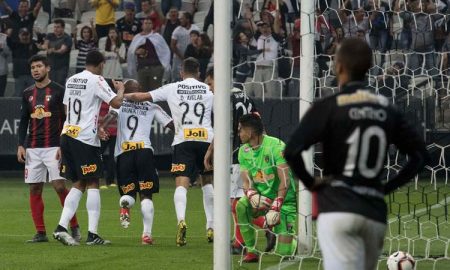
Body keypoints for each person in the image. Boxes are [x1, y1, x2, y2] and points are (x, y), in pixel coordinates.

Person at [284, 38, 429, 270]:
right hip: (373, 211)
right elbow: (422, 157)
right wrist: (386, 187)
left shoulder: (329, 106)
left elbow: (291, 151)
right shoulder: (386, 107)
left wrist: (312, 183)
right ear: (369, 67)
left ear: (338, 66)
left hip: (338, 207)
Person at [125, 57, 214, 246]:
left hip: (183, 140)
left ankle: (181, 220)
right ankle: (211, 226)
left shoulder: (172, 88)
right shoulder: (208, 89)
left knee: (181, 184)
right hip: (206, 139)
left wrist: (121, 94)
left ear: (181, 72)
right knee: (207, 182)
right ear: (198, 72)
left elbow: (140, 97)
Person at [52, 50, 125, 246]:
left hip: (68, 135)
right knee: (93, 182)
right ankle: (93, 234)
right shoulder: (97, 80)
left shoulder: (72, 79)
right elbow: (117, 102)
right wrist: (121, 89)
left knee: (79, 183)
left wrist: (93, 127)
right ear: (101, 64)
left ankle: (61, 227)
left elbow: (67, 108)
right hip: (84, 139)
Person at [100, 79, 174, 245]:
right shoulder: (151, 106)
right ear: (140, 90)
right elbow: (171, 124)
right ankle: (146, 235)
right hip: (144, 152)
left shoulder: (120, 103)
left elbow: (111, 115)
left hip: (124, 153)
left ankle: (125, 203)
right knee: (146, 194)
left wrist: (102, 127)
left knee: (129, 193)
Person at [17, 55, 80, 243]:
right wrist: (21, 144)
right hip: (33, 149)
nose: (35, 70)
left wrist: (64, 143)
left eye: (39, 66)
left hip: (54, 147)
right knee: (34, 189)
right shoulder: (27, 92)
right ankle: (40, 232)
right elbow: (23, 121)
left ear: (48, 68)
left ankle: (74, 226)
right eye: (33, 67)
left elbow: (68, 119)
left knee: (60, 186)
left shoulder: (59, 91)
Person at [203, 69, 261, 255]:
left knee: (236, 201)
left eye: (211, 83)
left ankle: (265, 228)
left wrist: (210, 151)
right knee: (238, 199)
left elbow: (222, 129)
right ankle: (240, 240)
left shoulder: (223, 99)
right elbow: (259, 123)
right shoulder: (244, 95)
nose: (210, 88)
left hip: (235, 154)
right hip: (250, 152)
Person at [235, 114, 297, 263]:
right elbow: (246, 179)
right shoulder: (243, 151)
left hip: (284, 200)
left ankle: (290, 241)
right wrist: (251, 194)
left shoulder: (276, 147)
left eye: (240, 130)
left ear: (250, 132)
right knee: (240, 206)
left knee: (284, 254)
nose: (238, 134)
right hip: (262, 197)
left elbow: (285, 179)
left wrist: (277, 205)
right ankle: (251, 251)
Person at [42, 19, 72, 87]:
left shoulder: (67, 38)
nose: (55, 29)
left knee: (59, 86)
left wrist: (52, 50)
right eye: (55, 27)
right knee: (49, 86)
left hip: (61, 68)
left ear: (63, 28)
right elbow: (45, 45)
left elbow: (62, 50)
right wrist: (43, 47)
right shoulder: (50, 35)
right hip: (50, 66)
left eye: (58, 27)